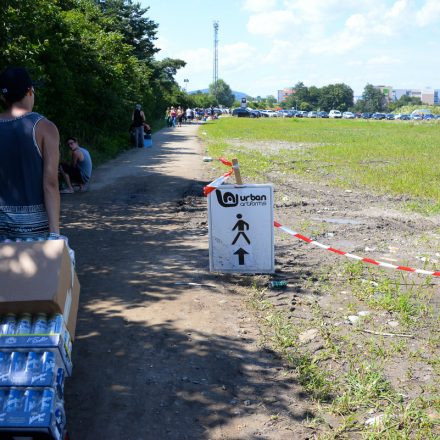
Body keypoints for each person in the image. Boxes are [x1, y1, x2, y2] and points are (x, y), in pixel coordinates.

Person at [0, 66, 60, 240]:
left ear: (3, 96)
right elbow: (50, 183)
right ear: (30, 90)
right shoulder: (44, 127)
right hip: (34, 229)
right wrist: (55, 233)